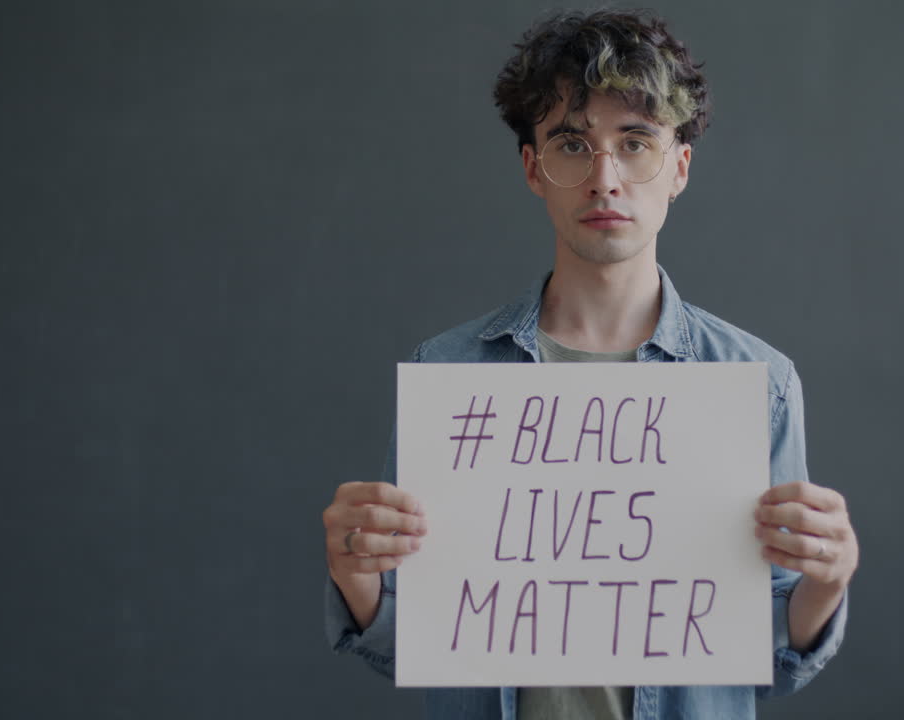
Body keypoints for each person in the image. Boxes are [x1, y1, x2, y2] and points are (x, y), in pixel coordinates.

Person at [321, 9, 858, 719]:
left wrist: (827, 580)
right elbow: (416, 644)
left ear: (679, 168)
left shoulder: (758, 384)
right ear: (532, 169)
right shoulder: (449, 374)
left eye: (635, 143)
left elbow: (765, 659)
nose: (605, 179)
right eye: (572, 145)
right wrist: (354, 575)